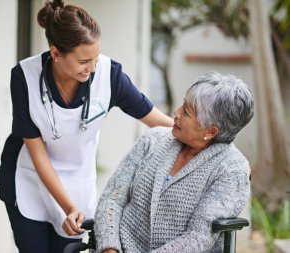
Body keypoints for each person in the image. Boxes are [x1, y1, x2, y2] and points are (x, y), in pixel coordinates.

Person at [0, 0, 174, 252]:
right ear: (56, 53)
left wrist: (210, 140)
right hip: (29, 177)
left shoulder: (109, 75)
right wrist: (67, 207)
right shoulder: (24, 77)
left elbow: (156, 120)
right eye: (83, 61)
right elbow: (38, 154)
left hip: (77, 179)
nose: (92, 68)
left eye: (96, 58)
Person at [94, 72, 254, 253]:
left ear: (210, 131)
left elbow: (198, 238)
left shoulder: (232, 170)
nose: (176, 113)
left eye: (186, 112)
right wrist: (109, 248)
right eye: (182, 104)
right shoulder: (153, 139)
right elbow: (112, 198)